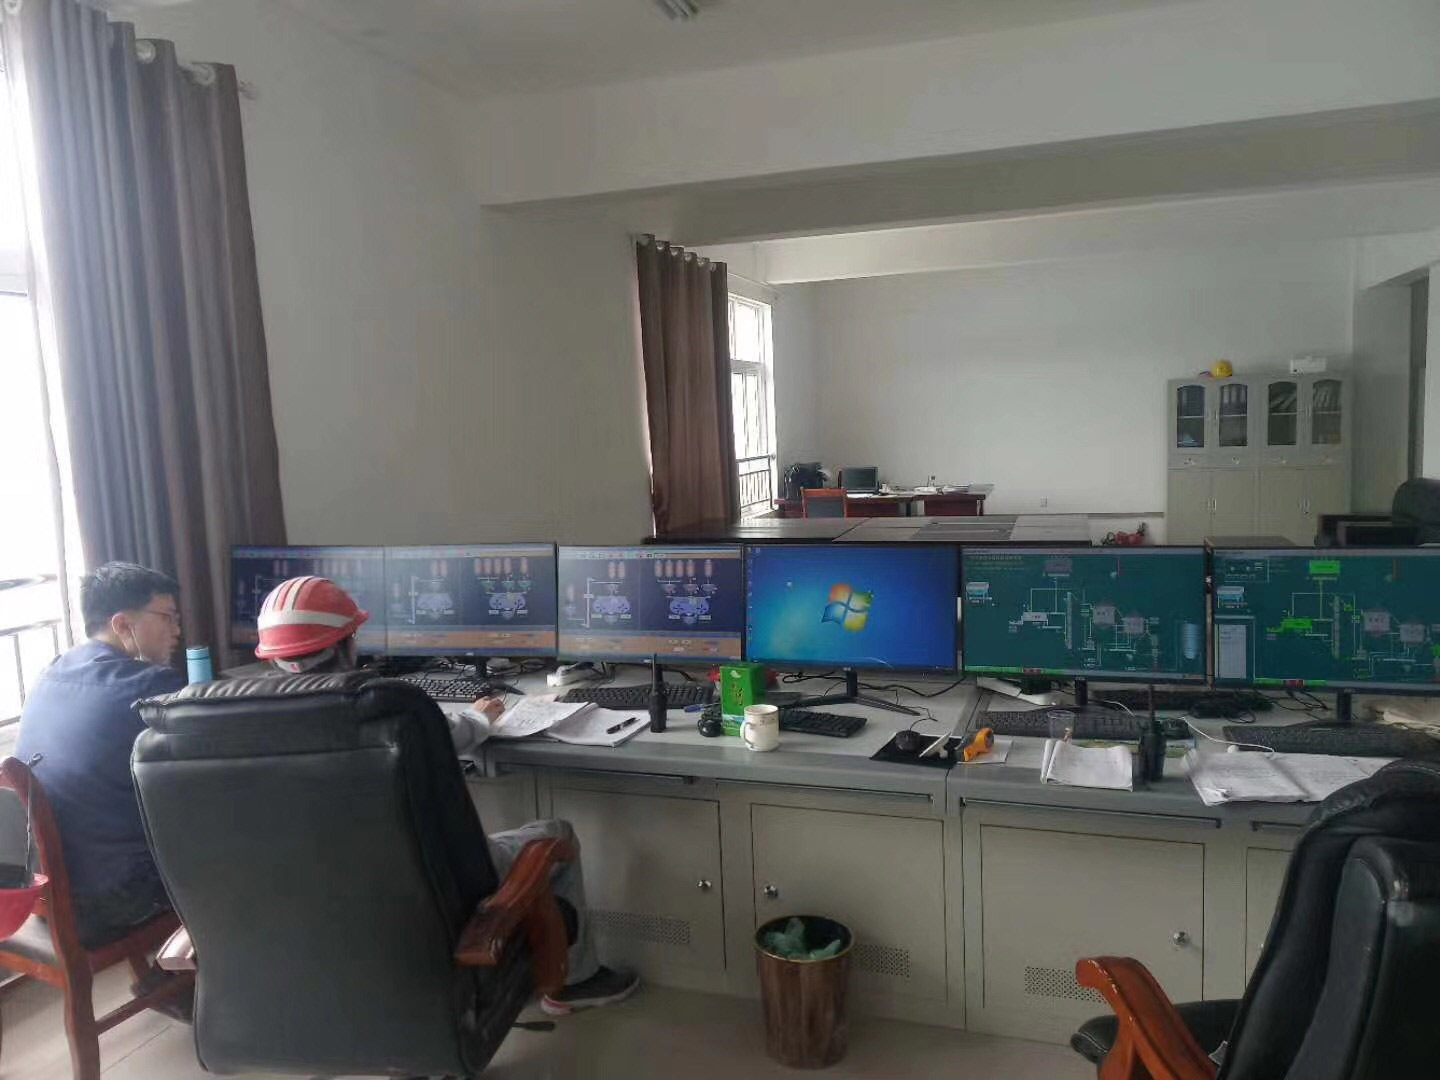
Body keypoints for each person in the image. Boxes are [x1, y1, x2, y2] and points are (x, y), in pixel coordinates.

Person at [254, 575, 640, 1015]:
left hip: (312, 901)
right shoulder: (393, 711)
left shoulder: (233, 723)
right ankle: (574, 981)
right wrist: (481, 716)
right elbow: (452, 733)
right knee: (556, 832)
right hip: (428, 886)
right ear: (347, 644)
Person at [15, 562, 185, 947]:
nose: (176, 630)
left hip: (45, 890)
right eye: (167, 617)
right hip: (111, 900)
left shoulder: (51, 672)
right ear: (122, 624)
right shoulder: (148, 687)